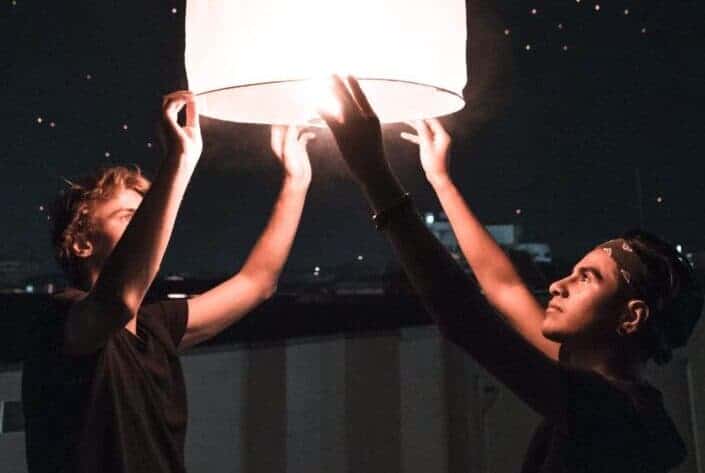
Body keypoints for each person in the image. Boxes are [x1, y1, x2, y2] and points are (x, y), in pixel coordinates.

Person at [320, 75, 704, 472]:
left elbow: (464, 318)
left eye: (587, 277)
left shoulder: (613, 412)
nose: (557, 285)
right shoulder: (609, 392)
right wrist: (440, 180)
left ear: (631, 316)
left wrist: (374, 175)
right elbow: (502, 286)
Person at [22, 90, 315, 473]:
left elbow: (258, 282)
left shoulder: (155, 328)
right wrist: (180, 160)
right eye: (129, 217)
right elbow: (118, 301)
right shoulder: (60, 320)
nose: (148, 228)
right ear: (80, 243)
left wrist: (297, 180)